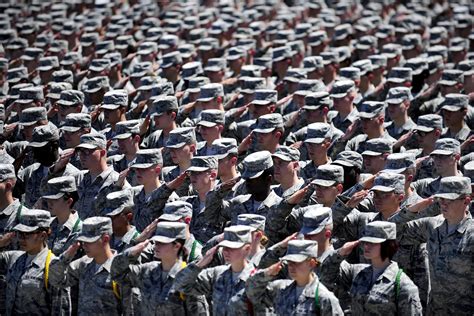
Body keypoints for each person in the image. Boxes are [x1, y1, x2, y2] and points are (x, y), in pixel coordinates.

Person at [400, 176, 473, 315]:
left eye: (450, 200)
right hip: (435, 310)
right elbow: (394, 232)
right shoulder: (432, 226)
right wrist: (412, 210)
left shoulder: (471, 235)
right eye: (441, 199)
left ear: (466, 201)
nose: (443, 204)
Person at [321, 221, 423, 315]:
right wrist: (339, 253)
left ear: (387, 245)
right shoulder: (357, 272)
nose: (366, 246)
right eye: (365, 242)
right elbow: (326, 276)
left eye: (373, 243)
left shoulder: (403, 285)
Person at [111, 222, 209, 315]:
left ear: (177, 246)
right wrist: (131, 252)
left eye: (162, 243)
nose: (156, 246)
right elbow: (117, 274)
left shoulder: (188, 280)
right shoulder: (148, 270)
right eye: (156, 242)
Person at [174, 225, 269, 315]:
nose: (226, 251)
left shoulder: (257, 279)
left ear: (247, 249)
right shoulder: (217, 274)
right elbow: (181, 285)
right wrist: (201, 263)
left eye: (232, 248)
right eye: (225, 247)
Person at [48, 216, 130, 316]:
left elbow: (130, 310)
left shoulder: (120, 270)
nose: (84, 245)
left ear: (105, 239)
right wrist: (65, 257)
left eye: (89, 241)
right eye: (83, 241)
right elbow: (57, 280)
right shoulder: (83, 264)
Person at [246, 239, 343, 315]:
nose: (291, 266)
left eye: (296, 262)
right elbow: (252, 293)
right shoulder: (281, 288)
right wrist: (266, 273)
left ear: (312, 263)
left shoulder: (324, 298)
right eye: (289, 262)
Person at [0, 209, 69, 315]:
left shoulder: (54, 267)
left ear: (43, 235)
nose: (21, 239)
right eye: (19, 233)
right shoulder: (13, 258)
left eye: (27, 234)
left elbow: (60, 310)